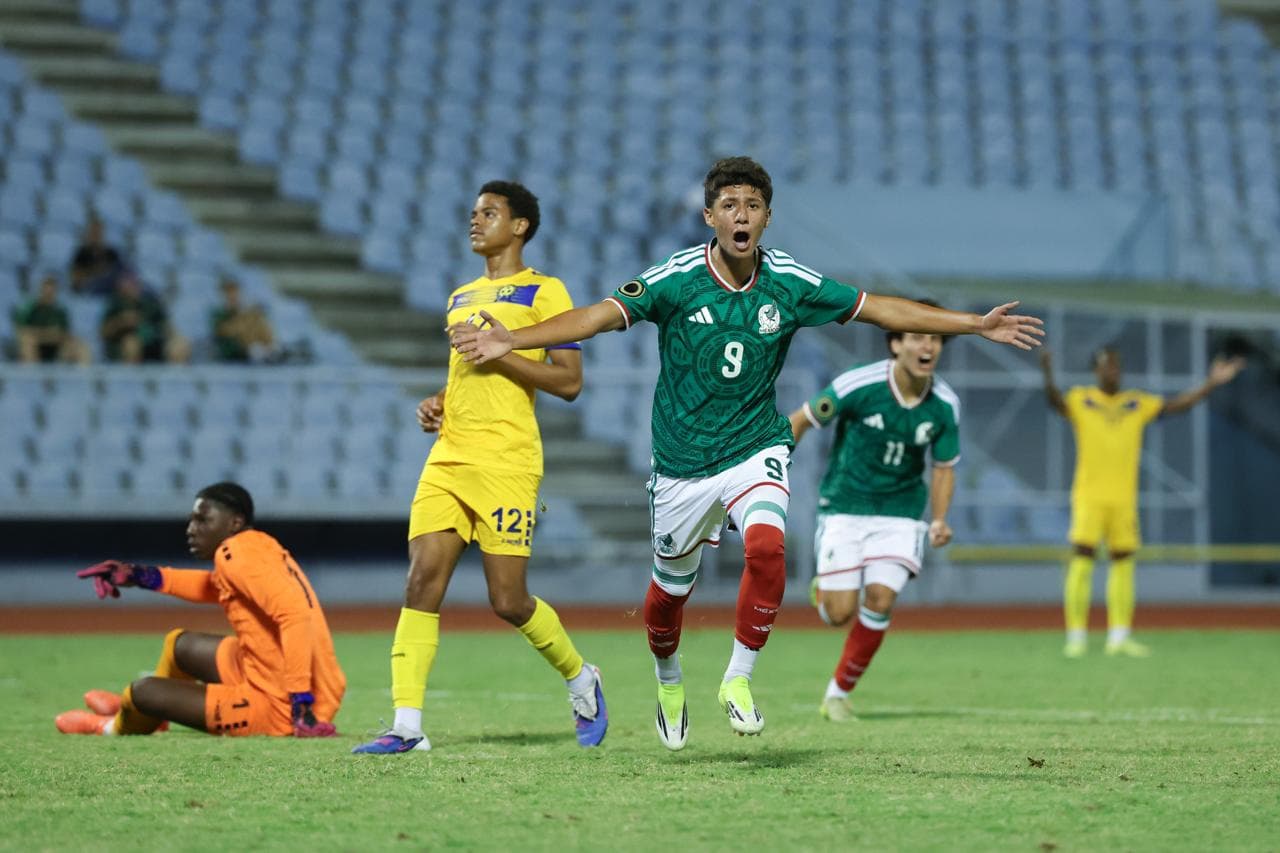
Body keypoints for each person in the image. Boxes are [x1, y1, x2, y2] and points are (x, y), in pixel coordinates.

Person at [451, 156, 1044, 750]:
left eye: (753, 206)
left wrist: (972, 324)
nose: (742, 215)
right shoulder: (677, 277)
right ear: (710, 217)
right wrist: (513, 339)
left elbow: (878, 308)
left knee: (767, 548)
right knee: (668, 597)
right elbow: (598, 316)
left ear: (767, 218)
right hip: (681, 464)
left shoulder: (790, 281)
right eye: (730, 205)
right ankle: (669, 680)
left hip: (754, 447)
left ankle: (738, 678)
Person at [352, 181, 607, 755]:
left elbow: (569, 382)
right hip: (449, 456)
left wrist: (505, 350)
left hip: (507, 460)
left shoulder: (545, 290)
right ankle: (407, 726)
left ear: (520, 226)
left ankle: (580, 677)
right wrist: (440, 400)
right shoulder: (461, 296)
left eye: (489, 213)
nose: (475, 221)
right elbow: (470, 373)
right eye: (473, 213)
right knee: (421, 581)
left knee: (508, 601)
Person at [55, 482, 344, 738]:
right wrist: (138, 575)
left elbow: (295, 615)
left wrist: (300, 703)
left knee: (142, 692)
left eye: (203, 520)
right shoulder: (257, 545)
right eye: (192, 520)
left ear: (235, 522)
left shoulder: (235, 555)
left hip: (279, 706)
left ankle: (108, 726)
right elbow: (213, 586)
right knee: (179, 645)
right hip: (279, 675)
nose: (191, 529)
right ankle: (152, 716)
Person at [788, 303, 959, 722]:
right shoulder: (858, 384)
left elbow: (943, 467)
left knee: (881, 599)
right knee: (839, 614)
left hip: (900, 513)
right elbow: (802, 419)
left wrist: (939, 518)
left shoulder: (944, 404)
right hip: (845, 506)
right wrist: (770, 466)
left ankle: (838, 694)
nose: (927, 346)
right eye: (917, 336)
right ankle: (826, 593)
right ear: (896, 344)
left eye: (934, 338)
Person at [1040, 347, 1245, 658]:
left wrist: (1211, 383)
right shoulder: (1082, 399)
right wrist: (1047, 374)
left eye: (1117, 366)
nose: (1113, 371)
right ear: (1096, 371)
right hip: (1089, 497)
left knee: (1123, 563)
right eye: (1107, 366)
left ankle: (1119, 637)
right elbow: (1056, 403)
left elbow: (1177, 405)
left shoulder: (1135, 403)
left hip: (1124, 499)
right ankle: (1076, 636)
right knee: (1082, 559)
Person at [99, 269, 190, 363]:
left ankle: (176, 372)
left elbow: (165, 325)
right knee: (131, 344)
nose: (133, 287)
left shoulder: (149, 304)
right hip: (123, 348)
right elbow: (103, 333)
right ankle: (131, 372)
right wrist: (122, 322)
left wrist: (173, 335)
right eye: (129, 284)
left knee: (179, 345)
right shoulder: (115, 305)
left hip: (153, 344)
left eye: (134, 283)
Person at [13, 274, 90, 364]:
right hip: (35, 344)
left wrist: (52, 335)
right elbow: (21, 331)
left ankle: (73, 371)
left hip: (54, 345)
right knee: (28, 341)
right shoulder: (30, 308)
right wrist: (47, 334)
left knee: (80, 345)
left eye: (51, 292)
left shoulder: (60, 311)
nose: (48, 295)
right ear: (40, 291)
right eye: (46, 292)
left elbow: (64, 333)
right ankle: (31, 370)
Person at [211, 277, 278, 363]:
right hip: (231, 347)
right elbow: (221, 331)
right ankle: (258, 351)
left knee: (257, 318)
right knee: (246, 321)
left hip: (249, 345)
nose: (233, 295)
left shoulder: (244, 309)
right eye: (229, 292)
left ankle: (269, 348)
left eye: (235, 291)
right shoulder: (219, 312)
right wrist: (241, 318)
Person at [69, 214, 124, 296]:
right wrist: (96, 273)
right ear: (88, 234)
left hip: (109, 294)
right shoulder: (81, 254)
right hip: (88, 294)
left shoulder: (112, 253)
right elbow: (75, 281)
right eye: (93, 232)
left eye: (99, 232)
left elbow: (120, 276)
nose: (96, 235)